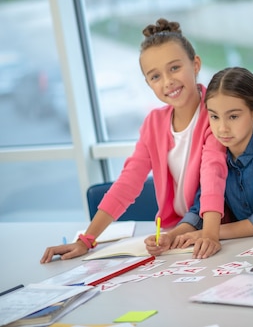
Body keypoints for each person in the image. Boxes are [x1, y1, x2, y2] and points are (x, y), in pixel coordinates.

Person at [40, 18, 228, 263]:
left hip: (216, 232)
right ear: (148, 83)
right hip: (174, 238)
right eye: (155, 76)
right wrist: (86, 240)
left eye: (174, 68)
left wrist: (211, 235)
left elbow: (214, 174)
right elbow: (128, 183)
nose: (167, 81)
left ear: (195, 64)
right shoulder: (154, 123)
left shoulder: (216, 112)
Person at [147, 67, 253, 252]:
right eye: (214, 117)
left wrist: (210, 233)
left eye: (233, 116)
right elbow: (199, 211)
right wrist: (172, 236)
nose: (222, 128)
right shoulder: (216, 156)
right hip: (247, 249)